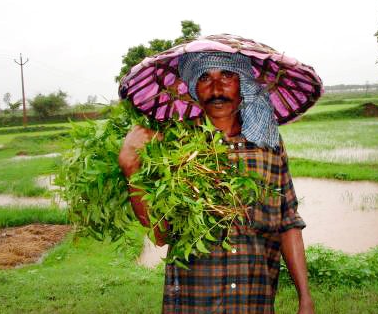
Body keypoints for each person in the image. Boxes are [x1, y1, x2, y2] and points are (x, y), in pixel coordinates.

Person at [119, 52, 315, 313]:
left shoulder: (269, 143)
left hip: (254, 301)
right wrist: (133, 169)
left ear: (243, 82)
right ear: (193, 89)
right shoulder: (177, 145)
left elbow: (288, 221)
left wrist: (305, 297)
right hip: (194, 302)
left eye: (227, 75)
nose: (216, 88)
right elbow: (161, 233)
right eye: (204, 78)